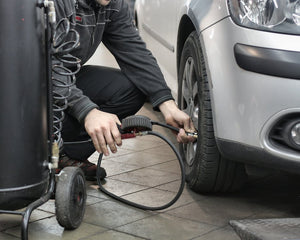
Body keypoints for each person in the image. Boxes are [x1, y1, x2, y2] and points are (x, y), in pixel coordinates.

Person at [53, 0, 196, 180]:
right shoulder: (54, 4)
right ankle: (32, 152)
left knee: (131, 89)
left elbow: (133, 51)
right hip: (24, 87)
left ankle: (62, 154)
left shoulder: (111, 4)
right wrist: (87, 111)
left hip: (62, 78)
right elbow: (43, 65)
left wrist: (168, 105)